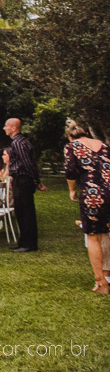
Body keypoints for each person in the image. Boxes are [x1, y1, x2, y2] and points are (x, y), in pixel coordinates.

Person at [63, 121, 109, 293]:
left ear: (70, 135)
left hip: (92, 194)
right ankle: (107, 274)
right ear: (86, 132)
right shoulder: (103, 145)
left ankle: (101, 283)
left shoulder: (71, 146)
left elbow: (70, 172)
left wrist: (72, 190)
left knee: (94, 237)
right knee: (108, 234)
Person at [3, 117, 46, 252]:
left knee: (25, 211)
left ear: (13, 128)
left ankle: (28, 244)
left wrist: (36, 181)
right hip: (18, 179)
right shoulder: (19, 142)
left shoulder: (19, 143)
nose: (4, 128)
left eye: (6, 126)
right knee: (21, 211)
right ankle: (23, 242)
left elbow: (27, 163)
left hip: (23, 179)